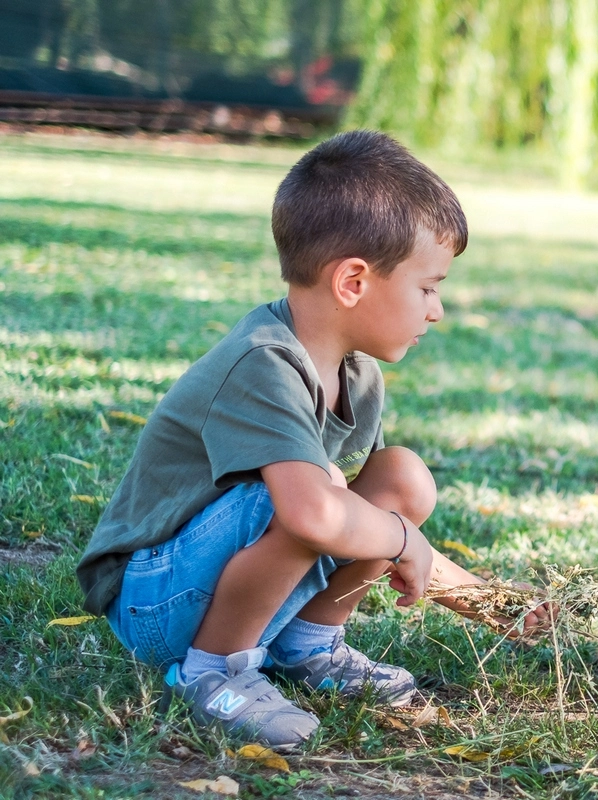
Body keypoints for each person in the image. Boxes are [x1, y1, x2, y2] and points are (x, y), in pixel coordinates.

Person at [75, 130, 551, 749]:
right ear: (353, 282)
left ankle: (306, 646)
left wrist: (488, 602)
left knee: (398, 479)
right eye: (428, 287)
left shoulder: (359, 374)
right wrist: (402, 540)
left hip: (228, 577)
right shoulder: (262, 364)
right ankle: (213, 669)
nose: (437, 311)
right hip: (155, 599)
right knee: (311, 497)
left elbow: (369, 514)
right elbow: (315, 514)